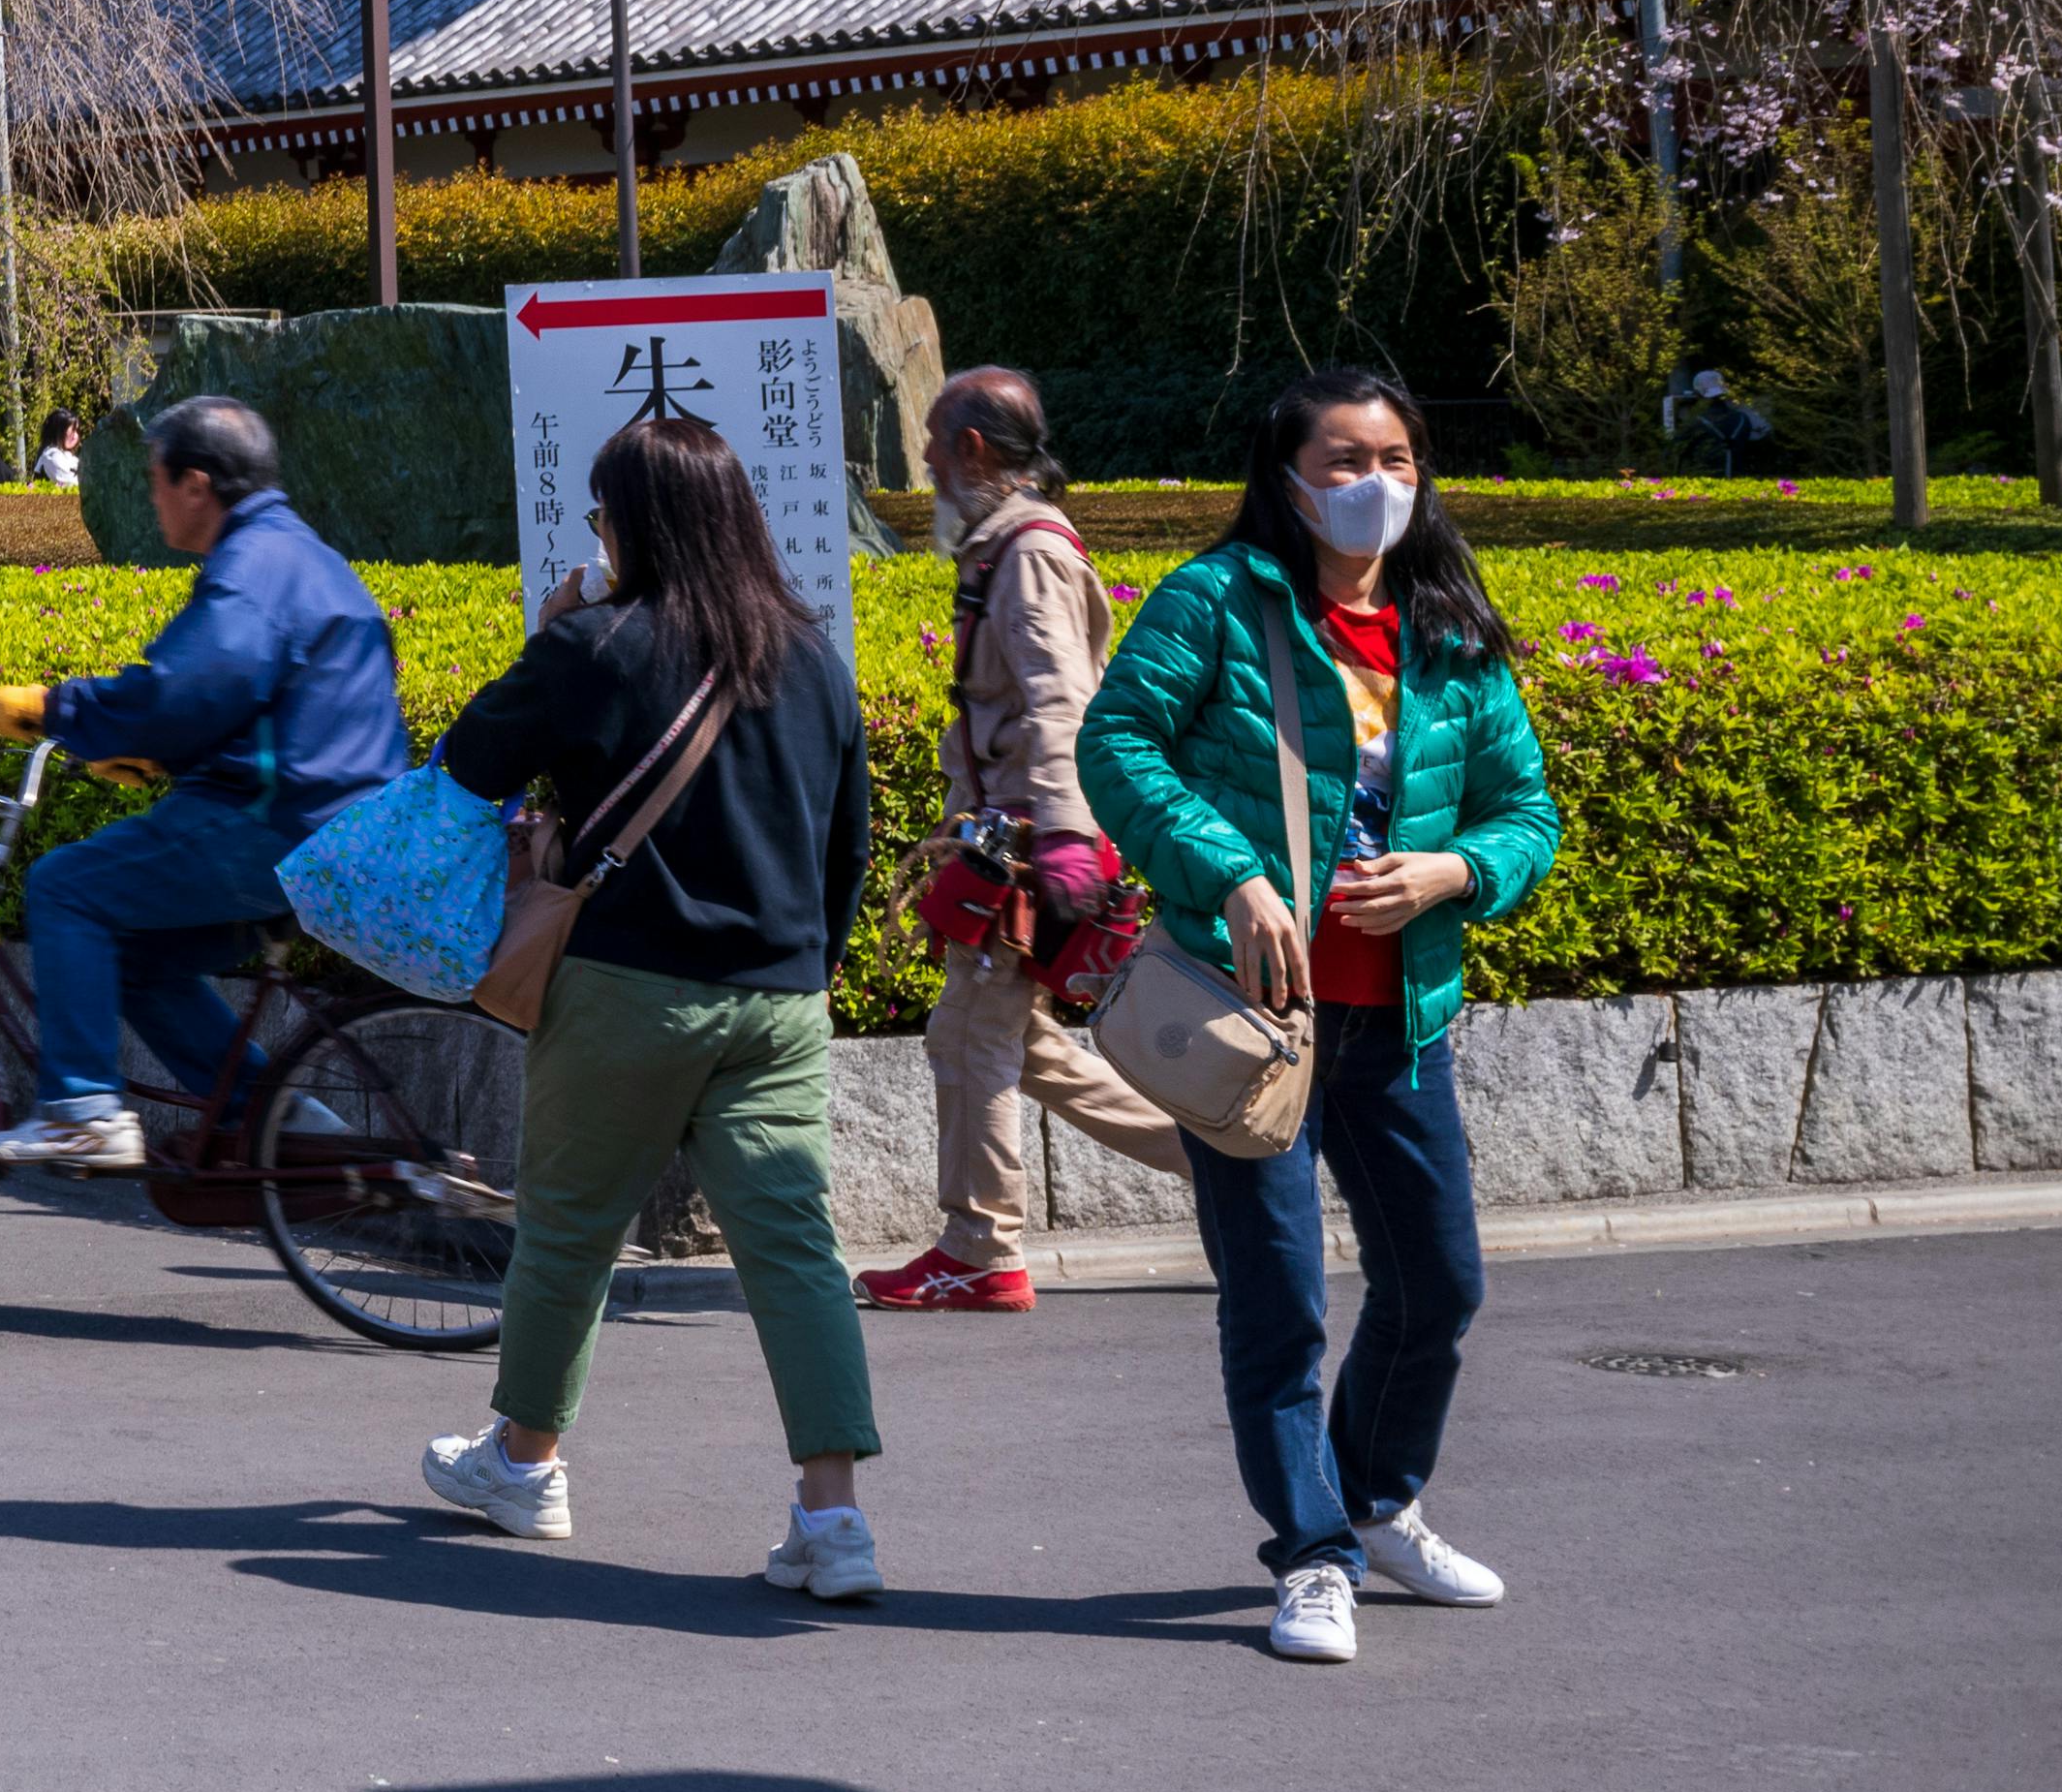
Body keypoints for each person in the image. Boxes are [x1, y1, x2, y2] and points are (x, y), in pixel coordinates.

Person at [1084, 364, 1564, 1669]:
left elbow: (1527, 814)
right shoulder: (1217, 601)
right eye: (1346, 461)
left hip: (1399, 1016)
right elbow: (1116, 746)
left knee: (1441, 1283)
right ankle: (1311, 1552)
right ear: (1287, 476)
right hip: (1257, 1027)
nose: (1375, 486)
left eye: (1397, 460)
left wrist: (1452, 873)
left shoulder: (1448, 625)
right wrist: (1226, 871)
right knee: (1281, 1298)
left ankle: (1376, 1498)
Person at [403, 410, 889, 1599]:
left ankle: (524, 1465)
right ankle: (832, 1520)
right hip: (778, 998)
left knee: (568, 1229)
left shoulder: (595, 645)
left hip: (627, 986)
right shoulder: (812, 652)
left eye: (602, 510)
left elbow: (466, 762)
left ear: (631, 519)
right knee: (793, 1252)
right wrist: (798, 967)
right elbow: (849, 846)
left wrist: (554, 630)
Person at [0, 398, 398, 1175]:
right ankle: (276, 1114)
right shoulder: (297, 553)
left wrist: (56, 706)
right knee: (131, 950)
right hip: (331, 824)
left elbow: (182, 690)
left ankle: (82, 1109)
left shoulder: (252, 566)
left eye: (155, 479)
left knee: (67, 887)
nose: (151, 494)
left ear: (195, 483)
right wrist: (162, 757)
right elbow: (252, 699)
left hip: (277, 821)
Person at [868, 368, 1178, 1315]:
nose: (920, 459)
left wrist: (1064, 837)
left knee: (969, 1036)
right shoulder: (1001, 545)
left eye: (930, 439)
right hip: (1009, 834)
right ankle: (1235, 1159)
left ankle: (978, 1248)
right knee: (1019, 1041)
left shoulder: (1026, 553)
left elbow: (1057, 701)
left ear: (969, 447)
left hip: (1025, 843)